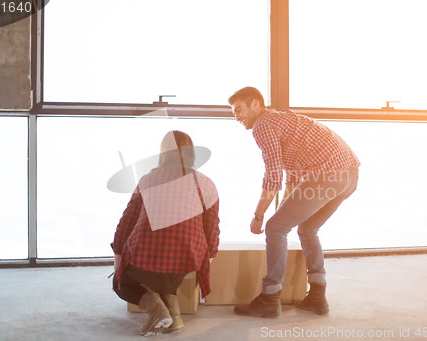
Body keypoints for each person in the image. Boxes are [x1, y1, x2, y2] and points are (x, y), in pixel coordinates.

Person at [228, 87, 360, 318]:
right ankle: (317, 297)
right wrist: (282, 212)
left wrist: (259, 216)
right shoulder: (282, 120)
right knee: (307, 228)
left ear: (255, 104)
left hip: (327, 174)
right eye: (233, 112)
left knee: (274, 227)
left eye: (239, 110)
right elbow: (293, 177)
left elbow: (272, 175)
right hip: (349, 175)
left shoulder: (263, 125)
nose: (237, 116)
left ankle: (269, 299)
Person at [111, 130, 220, 336]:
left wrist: (118, 261)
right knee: (168, 268)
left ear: (162, 153)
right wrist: (209, 256)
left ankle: (157, 310)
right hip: (187, 257)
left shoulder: (147, 180)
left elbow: (127, 222)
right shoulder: (206, 183)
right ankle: (175, 318)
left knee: (121, 282)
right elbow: (212, 226)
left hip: (146, 255)